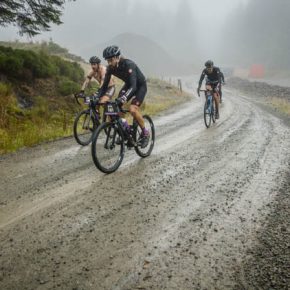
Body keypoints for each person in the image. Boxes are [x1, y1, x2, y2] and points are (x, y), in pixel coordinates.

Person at [97, 45, 149, 148]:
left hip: (139, 86)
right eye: (107, 61)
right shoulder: (110, 68)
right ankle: (125, 129)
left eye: (111, 60)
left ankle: (145, 133)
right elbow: (104, 86)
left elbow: (134, 86)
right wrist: (97, 97)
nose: (109, 63)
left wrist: (124, 98)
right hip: (129, 85)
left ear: (117, 57)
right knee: (116, 107)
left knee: (133, 109)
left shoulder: (129, 64)